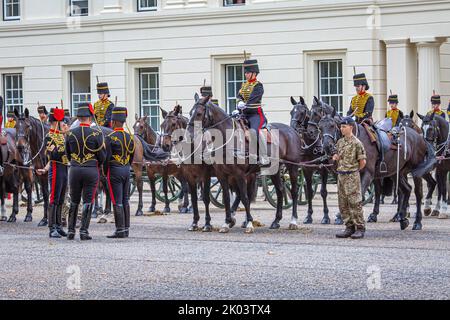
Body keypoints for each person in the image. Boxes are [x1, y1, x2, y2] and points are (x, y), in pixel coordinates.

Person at [65, 103, 106, 241]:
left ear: (79, 118)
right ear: (89, 118)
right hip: (90, 170)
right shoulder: (96, 133)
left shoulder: (70, 133)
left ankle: (71, 231)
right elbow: (102, 156)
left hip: (75, 170)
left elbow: (68, 154)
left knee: (74, 201)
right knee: (88, 201)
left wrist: (76, 161)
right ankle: (83, 231)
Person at [332, 116, 367, 239]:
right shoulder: (340, 142)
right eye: (341, 127)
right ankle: (349, 227)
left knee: (355, 202)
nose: (341, 129)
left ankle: (360, 227)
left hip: (352, 175)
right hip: (341, 175)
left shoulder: (357, 143)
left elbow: (362, 162)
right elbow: (337, 155)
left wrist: (353, 171)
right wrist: (336, 157)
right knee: (343, 203)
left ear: (350, 127)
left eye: (344, 126)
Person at [37, 107, 69, 238]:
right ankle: (52, 227)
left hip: (64, 168)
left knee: (61, 198)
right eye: (61, 121)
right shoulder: (50, 136)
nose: (63, 124)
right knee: (54, 198)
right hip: (56, 168)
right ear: (56, 122)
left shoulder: (62, 135)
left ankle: (58, 225)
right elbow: (53, 155)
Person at [104, 106, 135, 238]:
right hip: (126, 170)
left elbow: (107, 158)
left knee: (117, 201)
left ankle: (119, 230)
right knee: (125, 199)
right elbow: (131, 156)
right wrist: (126, 165)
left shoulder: (110, 137)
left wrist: (105, 172)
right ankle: (126, 229)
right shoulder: (130, 137)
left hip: (114, 170)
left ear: (114, 121)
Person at [236, 58, 270, 166]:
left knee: (254, 132)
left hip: (256, 115)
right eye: (245, 72)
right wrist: (239, 103)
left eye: (248, 72)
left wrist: (243, 106)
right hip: (244, 115)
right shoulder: (243, 86)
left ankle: (262, 157)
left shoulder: (258, 86)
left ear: (254, 73)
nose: (246, 74)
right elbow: (239, 97)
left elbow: (253, 100)